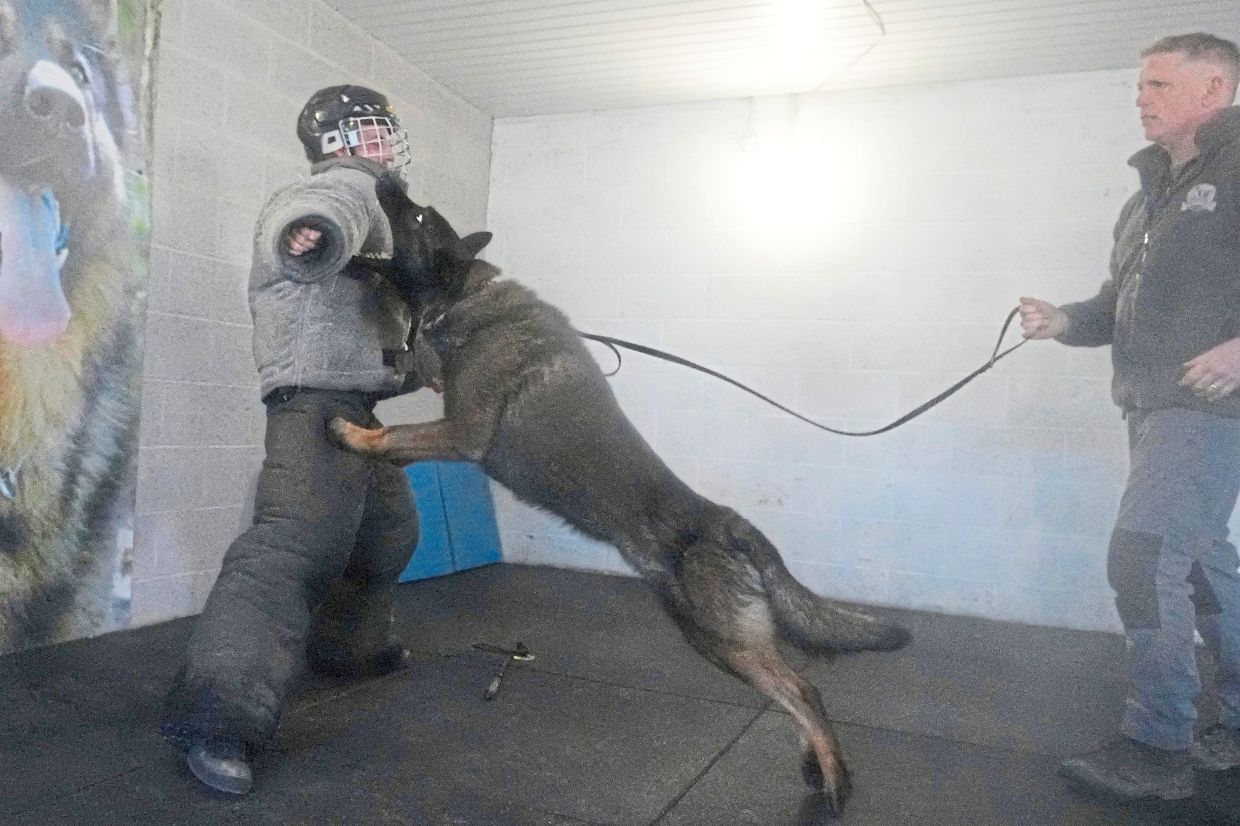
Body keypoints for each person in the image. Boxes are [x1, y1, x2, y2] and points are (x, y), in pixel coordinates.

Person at [160, 85, 426, 795]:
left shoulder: (389, 210)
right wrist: (310, 234)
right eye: (374, 131)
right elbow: (313, 216)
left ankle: (347, 648)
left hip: (359, 406)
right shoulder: (345, 188)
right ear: (339, 143)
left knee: (387, 534)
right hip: (317, 406)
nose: (387, 145)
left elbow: (384, 314)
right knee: (291, 548)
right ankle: (217, 718)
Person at [1019, 33, 1240, 802]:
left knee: (1141, 559)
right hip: (1148, 408)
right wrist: (1063, 321)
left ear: (1214, 90)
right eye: (1139, 86)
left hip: (1207, 407)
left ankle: (1156, 748)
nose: (1141, 98)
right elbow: (1118, 305)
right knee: (1204, 567)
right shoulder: (1147, 198)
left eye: (1159, 85)